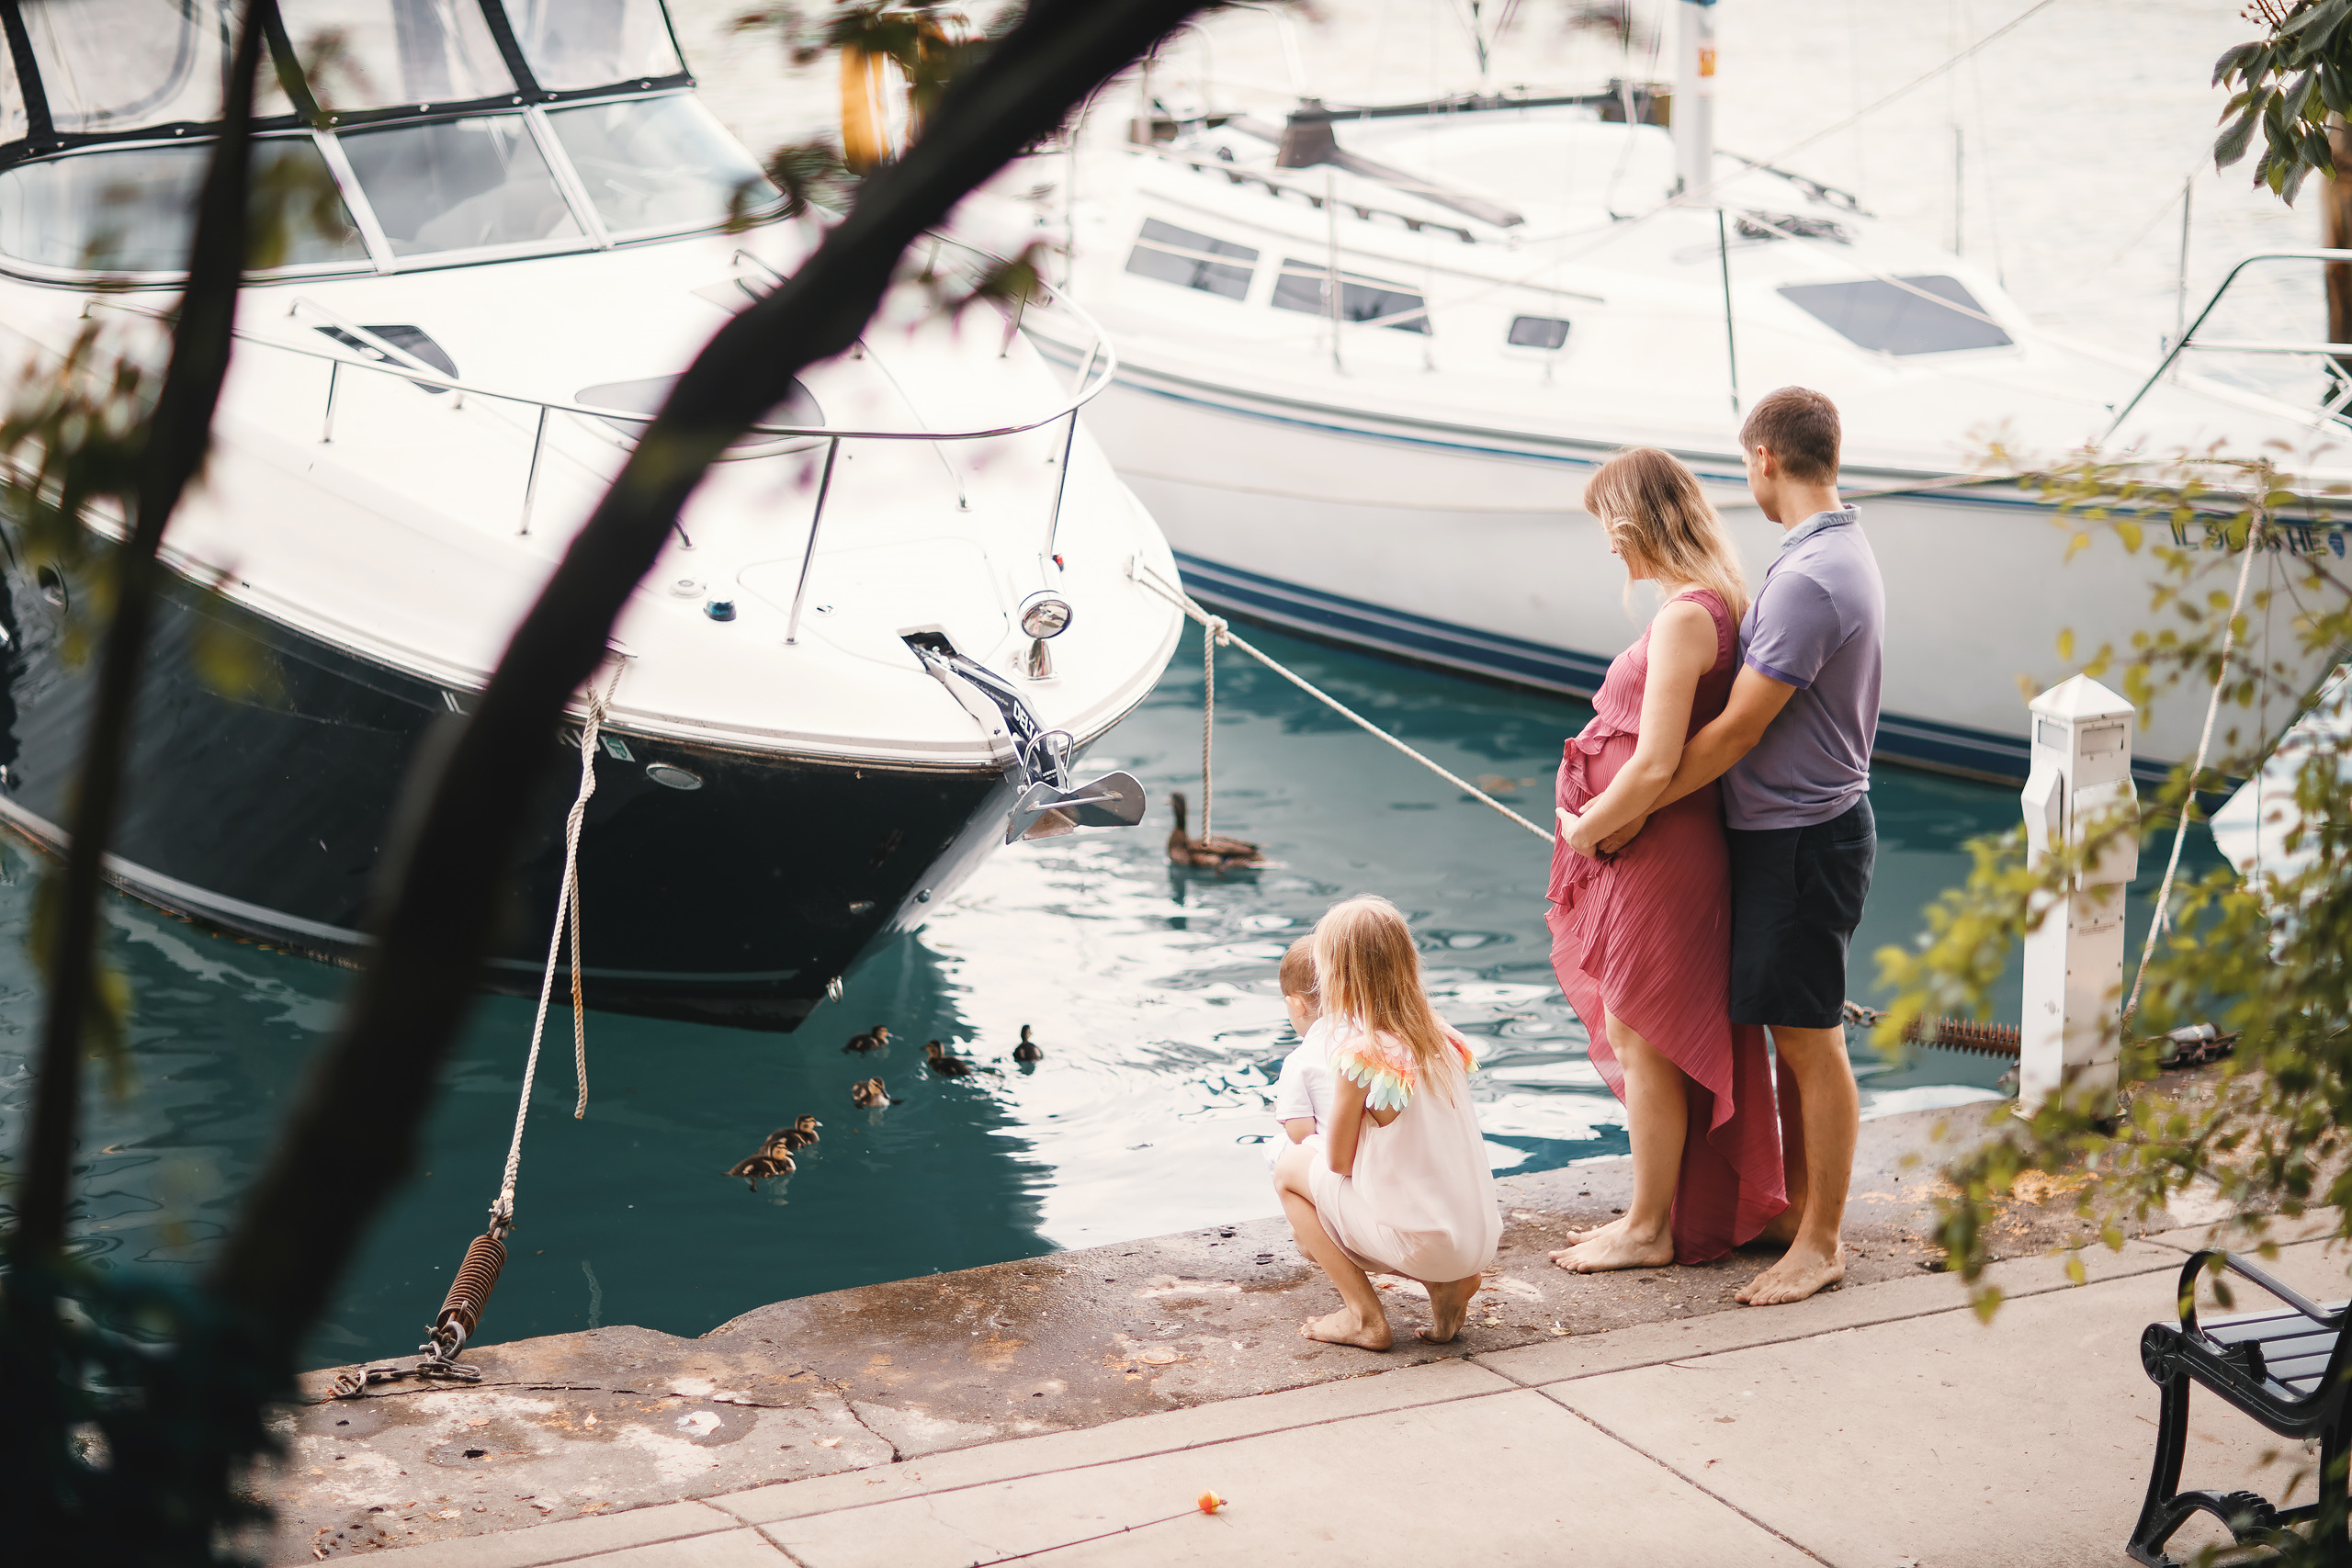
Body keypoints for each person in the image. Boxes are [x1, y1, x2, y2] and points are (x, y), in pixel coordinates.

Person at [1569, 386, 1883, 1307]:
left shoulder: (1810, 576)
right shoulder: (1818, 557)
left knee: (1809, 1039)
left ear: (1763, 459)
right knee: (1787, 1034)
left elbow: (1737, 730)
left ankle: (1819, 1243)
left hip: (1802, 835)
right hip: (1786, 833)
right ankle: (1794, 1213)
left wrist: (1624, 814)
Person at [1544, 446, 1788, 1274]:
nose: (1608, 544)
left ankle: (1648, 1227)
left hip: (1659, 847)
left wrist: (1591, 829)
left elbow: (1654, 763)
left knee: (1642, 1030)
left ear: (1635, 520)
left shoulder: (1688, 615)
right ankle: (1656, 1211)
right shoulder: (1711, 600)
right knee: (1644, 1029)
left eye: (1608, 525)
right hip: (1653, 839)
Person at [1272, 896, 1500, 1348]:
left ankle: (1364, 1317)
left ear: (1336, 977)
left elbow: (1338, 1162)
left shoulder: (1361, 1055)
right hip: (1476, 1238)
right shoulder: (1444, 1037)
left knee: (1289, 1170)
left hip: (1422, 1244)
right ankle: (1447, 1285)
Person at [1269, 936, 1329, 1154]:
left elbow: (1303, 1136)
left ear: (1296, 1006)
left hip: (1335, 1163)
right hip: (1383, 1156)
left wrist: (1285, 1114)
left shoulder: (1299, 1062)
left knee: (1276, 1150)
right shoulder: (1374, 1042)